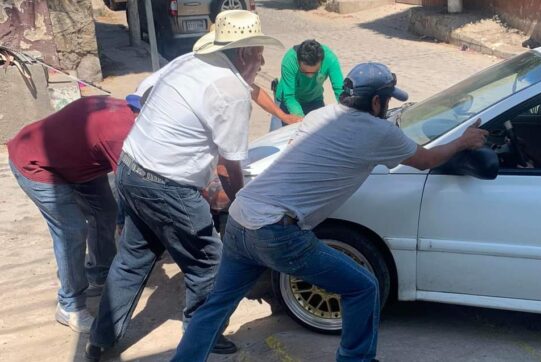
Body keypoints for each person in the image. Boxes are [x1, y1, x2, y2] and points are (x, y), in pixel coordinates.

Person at [172, 62, 488, 362]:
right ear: (376, 102)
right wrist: (464, 141)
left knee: (216, 305)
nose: (389, 105)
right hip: (276, 231)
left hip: (242, 216)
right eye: (388, 99)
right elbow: (427, 160)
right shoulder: (379, 133)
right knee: (362, 286)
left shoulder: (320, 116)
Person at [84, 10, 283, 361]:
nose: (261, 61)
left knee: (133, 258)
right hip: (167, 185)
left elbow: (141, 95)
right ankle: (200, 336)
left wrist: (172, 137)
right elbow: (231, 162)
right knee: (209, 260)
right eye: (257, 53)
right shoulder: (232, 89)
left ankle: (100, 340)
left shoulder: (189, 60)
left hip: (131, 167)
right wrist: (241, 204)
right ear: (241, 54)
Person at [7, 96, 137, 333]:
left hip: (78, 161)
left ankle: (100, 273)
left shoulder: (125, 108)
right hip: (36, 163)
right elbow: (131, 187)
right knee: (72, 230)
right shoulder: (119, 134)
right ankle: (70, 305)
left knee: (105, 212)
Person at [269, 39, 343, 131]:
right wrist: (301, 121)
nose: (310, 76)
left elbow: (340, 90)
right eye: (305, 72)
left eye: (315, 72)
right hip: (286, 100)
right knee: (277, 139)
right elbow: (290, 97)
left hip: (314, 100)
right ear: (298, 61)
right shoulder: (289, 60)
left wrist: (347, 112)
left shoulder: (330, 59)